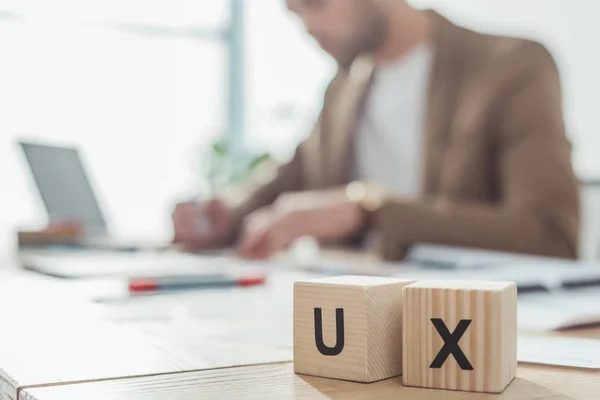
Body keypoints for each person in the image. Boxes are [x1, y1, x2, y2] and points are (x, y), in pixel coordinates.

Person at [173, 0, 580, 261]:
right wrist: (223, 216)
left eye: (315, 4)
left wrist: (364, 211)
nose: (308, 28)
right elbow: (285, 183)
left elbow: (550, 234)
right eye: (295, 14)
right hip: (351, 321)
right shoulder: (343, 88)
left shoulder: (510, 66)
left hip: (467, 329)